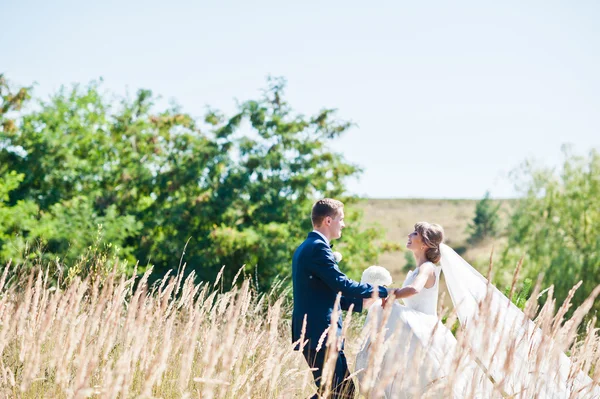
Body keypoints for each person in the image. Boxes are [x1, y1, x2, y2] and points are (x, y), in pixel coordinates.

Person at [356, 222, 600, 398]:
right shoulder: (417, 269)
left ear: (425, 243)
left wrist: (390, 294)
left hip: (422, 326)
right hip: (417, 327)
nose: (409, 235)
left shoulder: (427, 268)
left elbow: (416, 291)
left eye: (415, 233)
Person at [292, 198, 396, 399]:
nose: (344, 224)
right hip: (320, 332)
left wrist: (363, 302)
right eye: (341, 219)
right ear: (328, 221)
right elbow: (342, 284)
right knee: (339, 393)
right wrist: (384, 292)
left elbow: (329, 294)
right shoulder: (317, 248)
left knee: (337, 392)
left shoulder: (309, 246)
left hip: (317, 332)